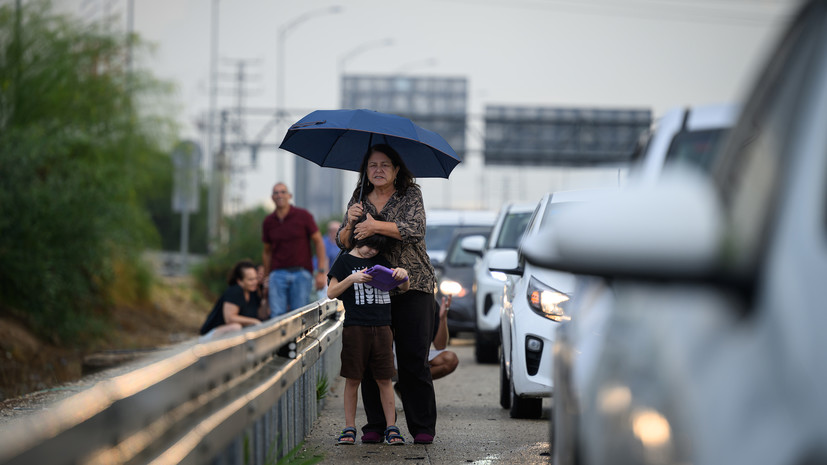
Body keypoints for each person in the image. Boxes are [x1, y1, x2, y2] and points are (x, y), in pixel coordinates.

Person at [336, 143, 438, 445]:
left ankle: (422, 425)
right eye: (372, 165)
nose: (378, 170)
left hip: (413, 283)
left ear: (396, 170)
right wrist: (352, 221)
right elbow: (344, 242)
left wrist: (374, 224)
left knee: (413, 358)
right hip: (371, 288)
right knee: (371, 361)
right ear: (365, 171)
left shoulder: (411, 194)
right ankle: (376, 425)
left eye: (384, 165)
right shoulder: (358, 199)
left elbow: (415, 229)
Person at [327, 217, 410, 446]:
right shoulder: (343, 262)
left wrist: (403, 276)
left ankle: (391, 427)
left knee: (384, 378)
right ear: (357, 238)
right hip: (355, 328)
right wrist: (352, 279)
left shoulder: (380, 259)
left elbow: (403, 287)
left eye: (376, 247)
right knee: (353, 378)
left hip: (383, 327)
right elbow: (331, 292)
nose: (371, 251)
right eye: (368, 245)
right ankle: (349, 427)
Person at [262, 182, 328, 318]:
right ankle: (281, 340)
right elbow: (267, 251)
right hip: (277, 274)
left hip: (301, 273)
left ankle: (296, 340)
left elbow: (319, 243)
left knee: (299, 315)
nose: (279, 195)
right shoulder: (269, 221)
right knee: (276, 315)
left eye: (282, 192)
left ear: (289, 196)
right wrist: (266, 277)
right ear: (272, 197)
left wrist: (321, 271)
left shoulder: (303, 216)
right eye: (276, 193)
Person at [199, 260, 269, 338]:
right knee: (235, 327)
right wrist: (254, 321)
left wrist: (265, 296)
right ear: (239, 281)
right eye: (250, 280)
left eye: (256, 278)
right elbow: (229, 318)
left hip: (232, 338)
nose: (255, 282)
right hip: (211, 335)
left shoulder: (253, 292)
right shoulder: (234, 291)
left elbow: (262, 315)